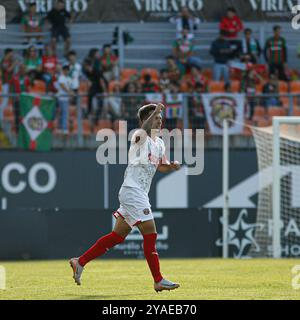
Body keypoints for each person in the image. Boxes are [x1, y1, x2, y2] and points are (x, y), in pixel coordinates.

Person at [70, 103, 181, 292]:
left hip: (137, 193)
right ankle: (158, 280)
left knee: (117, 236)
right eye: (156, 118)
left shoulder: (160, 143)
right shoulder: (139, 136)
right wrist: (154, 111)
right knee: (151, 233)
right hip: (133, 190)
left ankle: (80, 261)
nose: (159, 121)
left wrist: (171, 166)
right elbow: (143, 131)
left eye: (160, 118)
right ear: (145, 120)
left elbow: (160, 165)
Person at [0, 49, 18, 128]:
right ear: (7, 54)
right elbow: (8, 69)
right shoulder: (4, 61)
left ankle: (4, 119)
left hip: (10, 84)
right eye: (11, 54)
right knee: (3, 102)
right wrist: (14, 64)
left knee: (7, 102)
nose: (12, 55)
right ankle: (1, 119)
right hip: (4, 84)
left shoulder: (10, 61)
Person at [56, 65, 74, 134]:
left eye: (67, 70)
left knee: (64, 113)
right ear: (63, 71)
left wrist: (71, 93)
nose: (66, 71)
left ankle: (61, 127)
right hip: (61, 98)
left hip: (66, 98)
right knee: (63, 113)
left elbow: (70, 87)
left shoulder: (69, 79)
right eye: (65, 70)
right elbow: (62, 86)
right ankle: (64, 128)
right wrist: (70, 92)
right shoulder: (61, 77)